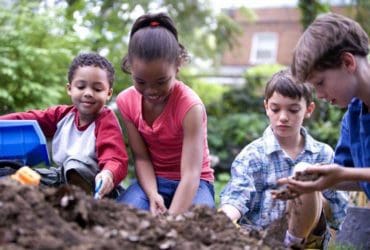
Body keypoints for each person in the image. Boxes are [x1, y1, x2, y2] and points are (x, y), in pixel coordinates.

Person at [219, 70, 348, 249]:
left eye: (293, 110)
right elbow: (236, 197)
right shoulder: (252, 155)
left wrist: (312, 195)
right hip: (261, 239)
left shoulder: (323, 154)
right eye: (275, 109)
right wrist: (221, 219)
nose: (283, 117)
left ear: (309, 110)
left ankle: (293, 244)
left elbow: (338, 208)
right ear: (266, 108)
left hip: (307, 240)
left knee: (303, 172)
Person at [115, 12, 214, 215]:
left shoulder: (190, 106)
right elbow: (141, 158)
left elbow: (191, 174)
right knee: (123, 215)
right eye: (140, 82)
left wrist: (171, 220)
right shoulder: (126, 101)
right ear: (130, 68)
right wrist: (152, 194)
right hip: (154, 180)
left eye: (161, 81)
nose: (151, 91)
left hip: (195, 183)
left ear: (177, 66)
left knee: (196, 222)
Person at [0, 53, 128, 198]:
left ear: (109, 93)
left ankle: (80, 200)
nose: (88, 93)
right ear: (69, 89)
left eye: (97, 89)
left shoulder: (106, 121)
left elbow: (114, 157)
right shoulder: (62, 115)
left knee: (74, 164)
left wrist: (108, 173)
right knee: (19, 173)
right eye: (81, 87)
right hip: (61, 177)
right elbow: (26, 119)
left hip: (97, 184)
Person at [278, 13, 370, 199]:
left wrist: (345, 174)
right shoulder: (353, 118)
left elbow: (350, 174)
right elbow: (348, 174)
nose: (319, 95)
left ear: (347, 62)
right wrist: (313, 179)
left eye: (320, 83)